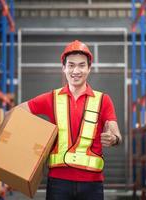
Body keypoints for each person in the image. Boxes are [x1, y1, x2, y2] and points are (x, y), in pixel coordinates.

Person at [20, 40, 122, 200]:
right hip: (58, 183)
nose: (76, 70)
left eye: (82, 65)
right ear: (64, 68)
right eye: (71, 65)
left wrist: (113, 139)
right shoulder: (51, 98)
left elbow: (117, 135)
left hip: (92, 185)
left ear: (89, 68)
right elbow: (16, 113)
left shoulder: (103, 100)